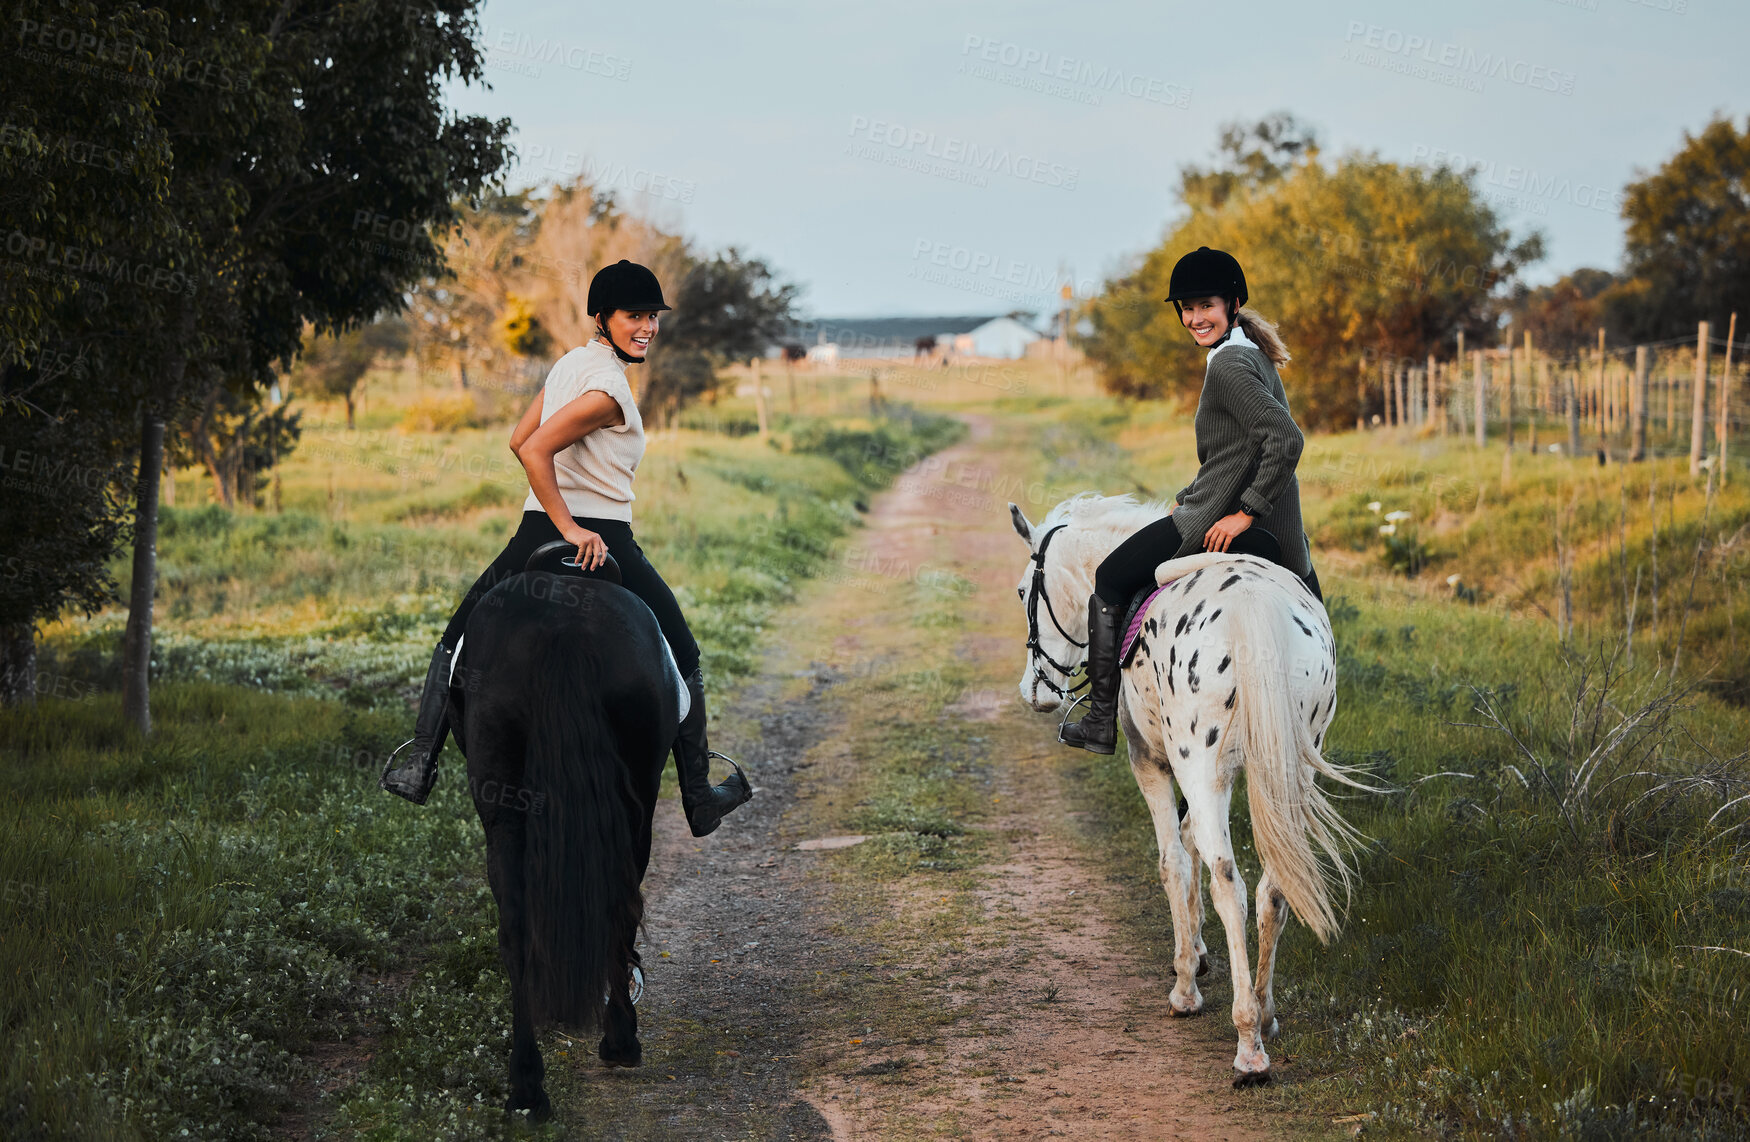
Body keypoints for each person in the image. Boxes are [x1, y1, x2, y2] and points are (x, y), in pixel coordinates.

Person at [379, 260, 753, 835]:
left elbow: (517, 438)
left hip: (530, 533)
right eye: (635, 316)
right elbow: (535, 453)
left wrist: (551, 522)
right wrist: (575, 530)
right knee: (683, 651)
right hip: (606, 537)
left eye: (652, 316)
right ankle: (700, 793)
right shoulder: (609, 391)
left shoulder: (568, 366)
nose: (647, 327)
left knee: (456, 640)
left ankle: (420, 765)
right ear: (603, 317)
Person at [1060, 246, 1322, 756]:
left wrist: (1242, 513)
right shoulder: (1253, 353)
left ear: (1233, 302)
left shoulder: (1229, 365)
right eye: (1186, 308)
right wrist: (1197, 497)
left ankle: (1098, 720)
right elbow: (1238, 451)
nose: (1195, 317)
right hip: (1286, 540)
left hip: (1219, 521)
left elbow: (1285, 440)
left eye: (1205, 305)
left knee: (1110, 578)